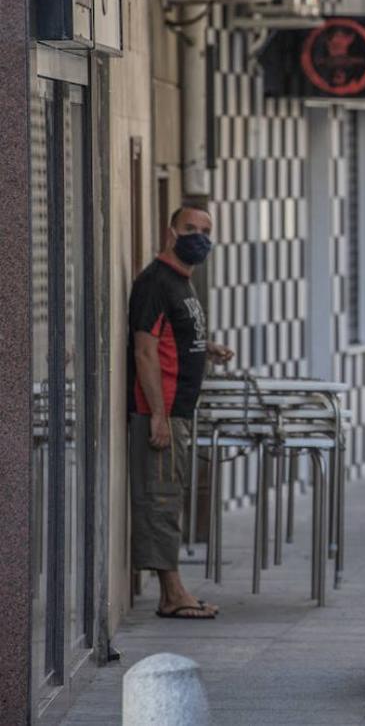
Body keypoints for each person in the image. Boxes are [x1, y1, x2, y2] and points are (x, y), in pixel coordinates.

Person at [128, 205, 233, 620]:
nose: (199, 236)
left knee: (170, 498)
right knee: (160, 500)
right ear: (171, 231)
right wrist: (157, 414)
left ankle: (174, 590)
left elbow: (174, 335)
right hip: (162, 412)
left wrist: (207, 348)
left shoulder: (182, 283)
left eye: (206, 230)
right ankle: (171, 594)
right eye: (190, 228)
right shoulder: (154, 281)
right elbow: (144, 349)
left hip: (179, 411)